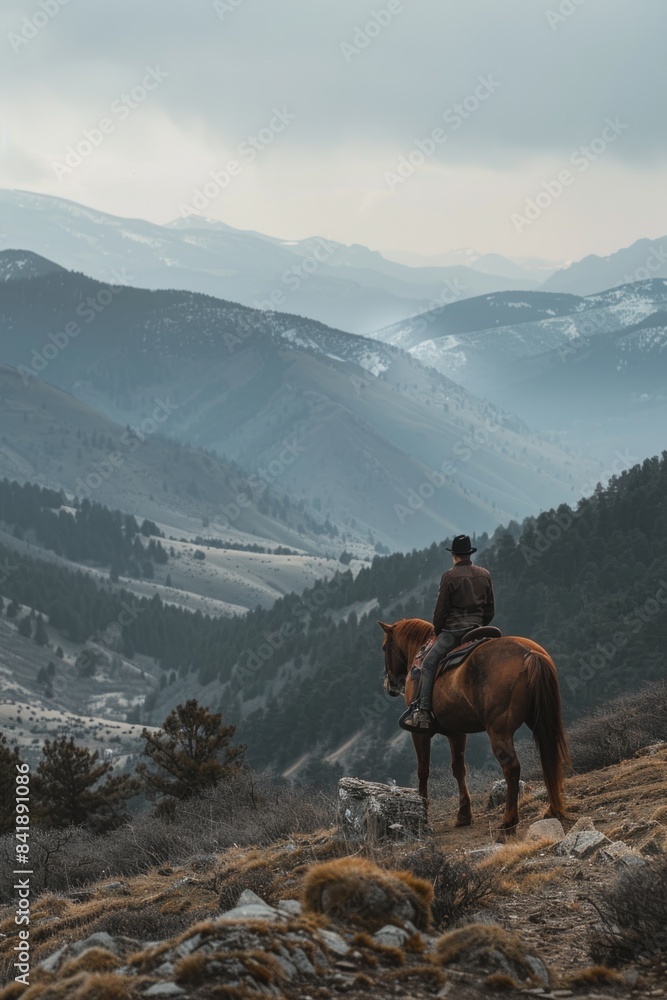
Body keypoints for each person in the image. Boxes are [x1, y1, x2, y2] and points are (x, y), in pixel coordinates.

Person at [405, 534, 495, 731]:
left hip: (453, 633)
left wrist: (437, 631)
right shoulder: (484, 574)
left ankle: (424, 712)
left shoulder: (449, 577)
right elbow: (490, 610)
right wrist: (479, 625)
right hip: (478, 630)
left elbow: (441, 611)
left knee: (428, 664)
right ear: (469, 554)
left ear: (454, 555)